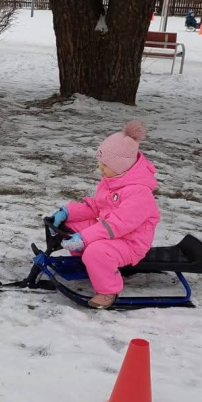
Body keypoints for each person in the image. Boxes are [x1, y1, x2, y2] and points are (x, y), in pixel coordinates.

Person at [50, 121, 159, 309]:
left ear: (122, 165)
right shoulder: (113, 180)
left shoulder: (139, 193)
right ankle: (89, 264)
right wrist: (67, 211)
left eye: (105, 164)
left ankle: (108, 290)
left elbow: (117, 225)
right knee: (73, 225)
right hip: (111, 233)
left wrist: (84, 238)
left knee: (96, 250)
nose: (101, 168)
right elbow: (96, 206)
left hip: (129, 243)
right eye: (100, 163)